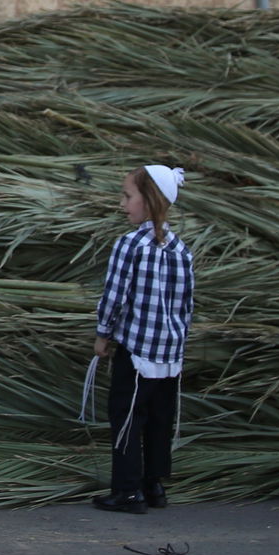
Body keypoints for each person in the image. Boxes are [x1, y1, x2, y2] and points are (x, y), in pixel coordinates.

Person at [90, 164, 195, 514]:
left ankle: (127, 489)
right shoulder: (182, 250)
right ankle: (154, 484)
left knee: (126, 416)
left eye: (127, 196)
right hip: (168, 356)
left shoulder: (130, 245)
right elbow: (187, 304)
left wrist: (103, 334)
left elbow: (115, 296)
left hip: (136, 352)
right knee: (158, 420)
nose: (123, 204)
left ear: (149, 201)